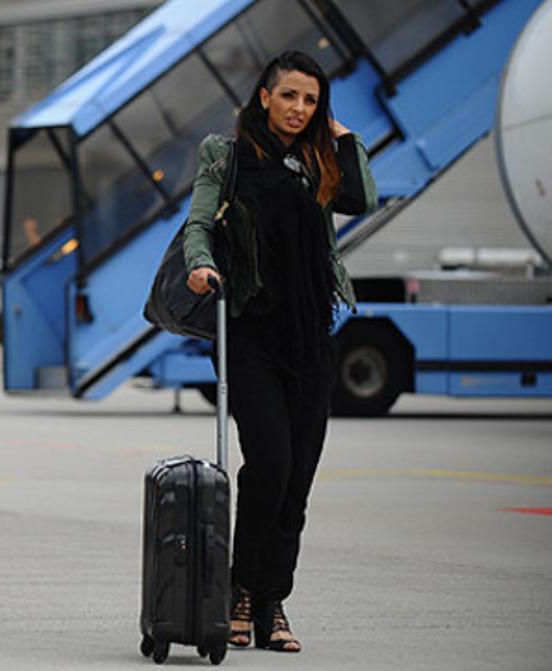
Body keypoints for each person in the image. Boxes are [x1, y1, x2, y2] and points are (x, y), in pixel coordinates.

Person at [181, 51, 376, 653]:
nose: (299, 109)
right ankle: (240, 591)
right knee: (270, 463)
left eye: (311, 101)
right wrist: (201, 264)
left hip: (310, 335)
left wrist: (346, 138)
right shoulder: (228, 154)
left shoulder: (319, 161)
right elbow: (198, 224)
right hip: (250, 332)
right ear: (264, 97)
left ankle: (272, 601)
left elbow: (360, 200)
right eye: (289, 96)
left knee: (300, 479)